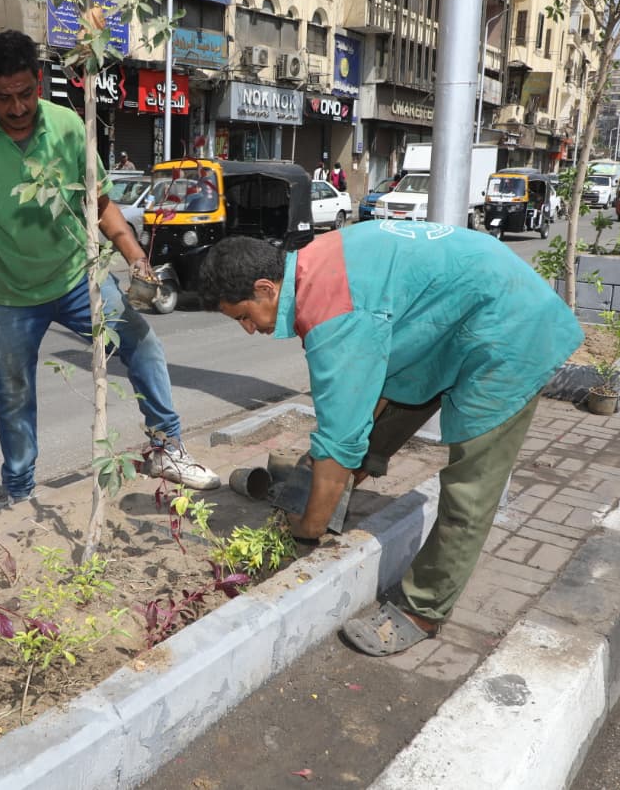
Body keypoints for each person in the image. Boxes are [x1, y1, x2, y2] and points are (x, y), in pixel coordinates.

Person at [197, 225, 582, 656]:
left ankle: (424, 609)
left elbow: (340, 439)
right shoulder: (314, 266)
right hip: (454, 318)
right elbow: (363, 390)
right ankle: (329, 495)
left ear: (266, 288)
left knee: (471, 487)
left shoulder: (333, 315)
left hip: (510, 331)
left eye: (244, 316)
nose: (249, 329)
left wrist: (308, 531)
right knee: (373, 412)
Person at [0, 31, 219, 506]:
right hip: (5, 295)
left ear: (38, 82)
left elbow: (100, 205)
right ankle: (19, 493)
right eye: (3, 98)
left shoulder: (67, 128)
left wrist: (136, 257)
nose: (17, 108)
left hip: (78, 278)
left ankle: (166, 447)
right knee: (14, 392)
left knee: (143, 345)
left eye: (25, 94)